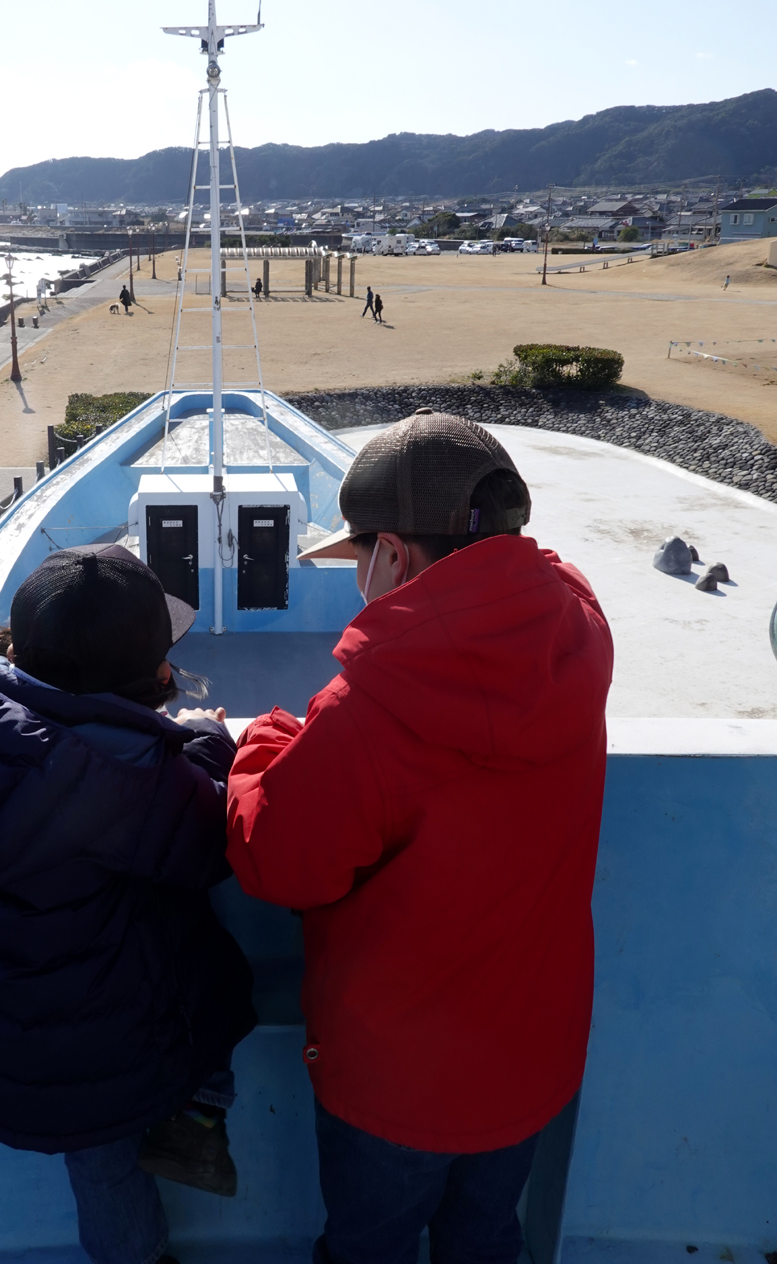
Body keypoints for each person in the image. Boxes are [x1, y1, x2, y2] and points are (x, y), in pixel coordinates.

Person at [226, 410, 613, 1264]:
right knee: (484, 1241)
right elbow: (531, 565)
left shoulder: (369, 711)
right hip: (531, 1052)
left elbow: (280, 862)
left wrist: (258, 743)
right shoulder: (578, 626)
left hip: (400, 1078)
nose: (357, 580)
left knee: (371, 1247)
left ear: (393, 556)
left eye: (360, 559)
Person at [0, 545, 256, 1264]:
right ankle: (199, 1117)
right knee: (222, 976)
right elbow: (208, 848)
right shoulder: (127, 784)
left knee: (96, 1164)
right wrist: (204, 742)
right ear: (154, 674)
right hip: (99, 1070)